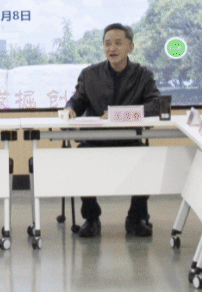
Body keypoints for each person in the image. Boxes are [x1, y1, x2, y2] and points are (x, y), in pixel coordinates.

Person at [65, 23, 164, 237]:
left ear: (131, 47)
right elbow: (77, 100)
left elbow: (157, 105)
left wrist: (120, 114)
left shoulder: (143, 75)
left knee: (147, 160)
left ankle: (136, 218)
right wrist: (70, 108)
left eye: (118, 43)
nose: (112, 48)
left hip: (129, 140)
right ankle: (91, 218)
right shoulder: (90, 74)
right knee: (80, 159)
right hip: (95, 141)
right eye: (107, 43)